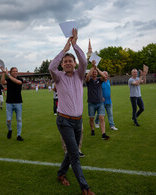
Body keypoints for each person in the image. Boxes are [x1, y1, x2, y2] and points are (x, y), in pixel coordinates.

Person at [48, 29, 95, 195]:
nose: (68, 63)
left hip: (78, 121)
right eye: (65, 61)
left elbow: (84, 62)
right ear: (62, 64)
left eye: (70, 61)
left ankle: (61, 174)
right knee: (74, 154)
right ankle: (85, 188)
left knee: (71, 151)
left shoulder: (79, 75)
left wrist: (74, 44)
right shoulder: (58, 77)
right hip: (64, 121)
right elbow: (51, 66)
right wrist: (64, 48)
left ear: (74, 64)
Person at [86, 62, 110, 140]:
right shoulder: (89, 81)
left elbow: (104, 76)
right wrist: (92, 68)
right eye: (93, 72)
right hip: (91, 103)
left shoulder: (100, 80)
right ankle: (92, 129)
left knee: (101, 117)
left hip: (100, 102)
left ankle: (103, 134)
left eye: (95, 72)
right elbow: (87, 76)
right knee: (91, 119)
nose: (94, 73)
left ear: (97, 73)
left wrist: (97, 68)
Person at [0, 66, 24, 141]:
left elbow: (17, 82)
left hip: (18, 103)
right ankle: (10, 129)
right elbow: (2, 82)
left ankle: (18, 135)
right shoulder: (8, 79)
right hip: (9, 103)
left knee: (19, 120)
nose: (15, 72)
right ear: (11, 72)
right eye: (14, 71)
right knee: (8, 120)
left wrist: (8, 75)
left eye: (16, 71)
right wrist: (3, 73)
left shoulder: (20, 79)